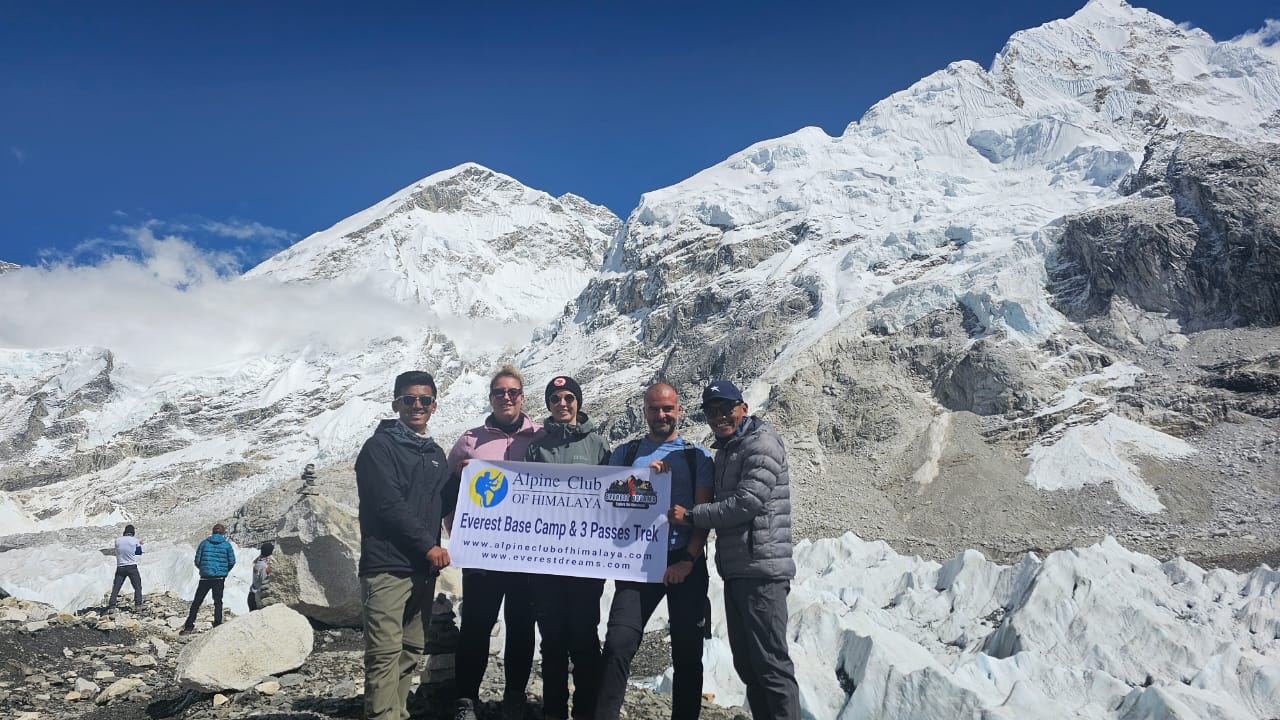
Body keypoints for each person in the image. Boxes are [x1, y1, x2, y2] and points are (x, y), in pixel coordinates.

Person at [669, 381, 800, 720]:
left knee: (771, 665)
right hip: (739, 569)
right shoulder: (729, 448)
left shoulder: (761, 444)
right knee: (749, 665)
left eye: (726, 408)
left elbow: (745, 504)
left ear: (743, 406)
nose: (719, 416)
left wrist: (692, 516)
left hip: (762, 570)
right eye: (712, 411)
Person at [595, 383, 714, 720]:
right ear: (644, 411)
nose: (661, 415)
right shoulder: (627, 454)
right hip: (638, 561)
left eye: (668, 409)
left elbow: (703, 514)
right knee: (619, 642)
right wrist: (640, 480)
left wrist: (688, 561)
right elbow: (604, 501)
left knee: (687, 651)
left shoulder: (697, 456)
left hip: (684, 559)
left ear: (678, 410)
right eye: (654, 409)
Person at [447, 366, 544, 720]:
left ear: (522, 396)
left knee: (521, 625)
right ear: (491, 397)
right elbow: (449, 493)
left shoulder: (541, 436)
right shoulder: (469, 441)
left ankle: (514, 698)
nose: (507, 397)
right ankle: (465, 700)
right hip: (483, 555)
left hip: (526, 556)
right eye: (500, 392)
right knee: (476, 623)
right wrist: (462, 536)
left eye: (513, 392)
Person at [356, 370, 452, 720]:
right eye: (409, 399)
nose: (417, 406)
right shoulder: (379, 448)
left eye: (424, 400)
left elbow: (447, 501)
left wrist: (474, 477)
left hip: (422, 572)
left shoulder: (436, 454)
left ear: (434, 405)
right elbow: (387, 504)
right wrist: (429, 547)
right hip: (386, 567)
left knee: (411, 649)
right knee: (384, 653)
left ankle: (397, 713)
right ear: (396, 403)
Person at [525, 375, 611, 720]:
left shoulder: (598, 446)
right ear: (548, 404)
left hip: (586, 564)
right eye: (556, 398)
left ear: (578, 401)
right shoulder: (536, 447)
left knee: (586, 640)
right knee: (552, 643)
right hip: (547, 565)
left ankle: (586, 712)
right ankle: (554, 712)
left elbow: (614, 497)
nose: (562, 403)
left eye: (569, 397)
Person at [180, 522, 237, 634]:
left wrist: (203, 569)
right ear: (223, 533)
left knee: (197, 602)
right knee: (218, 601)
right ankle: (217, 625)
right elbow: (232, 561)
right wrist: (224, 571)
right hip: (219, 578)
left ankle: (189, 626)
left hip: (205, 577)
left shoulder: (204, 544)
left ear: (212, 532)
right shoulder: (226, 545)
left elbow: (197, 560)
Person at [107, 524, 144, 610]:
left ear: (125, 532)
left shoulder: (117, 540)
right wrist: (139, 543)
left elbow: (121, 549)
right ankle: (138, 605)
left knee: (116, 587)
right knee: (137, 586)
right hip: (131, 566)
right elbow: (139, 552)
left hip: (120, 567)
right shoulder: (135, 540)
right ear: (133, 532)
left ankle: (112, 606)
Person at [248, 541, 274, 611]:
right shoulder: (264, 567)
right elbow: (264, 582)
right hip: (258, 598)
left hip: (252, 595)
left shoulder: (258, 563)